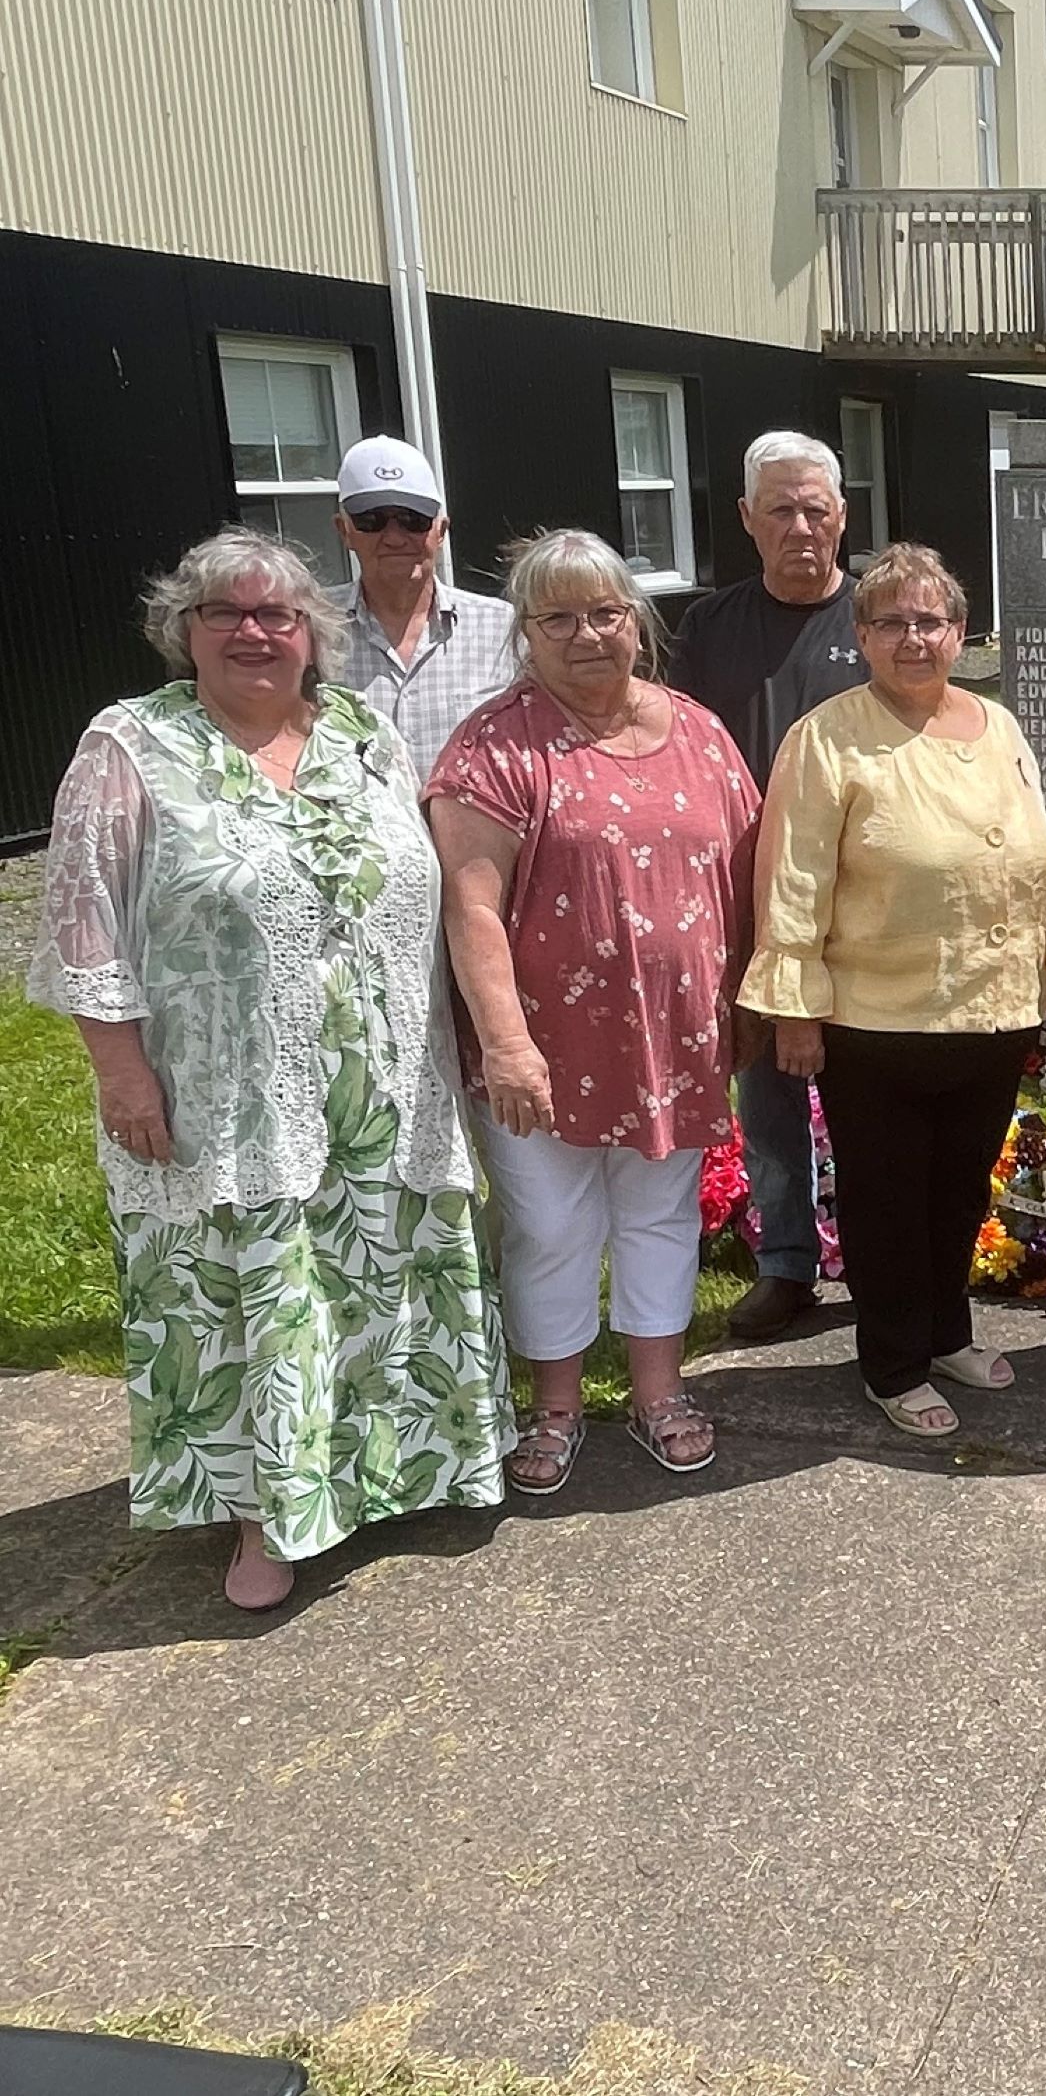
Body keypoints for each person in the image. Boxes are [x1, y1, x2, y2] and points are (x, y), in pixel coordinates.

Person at [28, 528, 511, 1610]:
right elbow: (83, 923)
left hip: (384, 1082)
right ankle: (268, 1512)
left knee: (383, 1275)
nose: (253, 631)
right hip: (225, 1090)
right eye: (225, 613)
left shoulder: (359, 729)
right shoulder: (133, 742)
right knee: (263, 1295)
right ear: (182, 631)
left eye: (277, 614)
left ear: (312, 633)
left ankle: (400, 1471)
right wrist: (122, 1070)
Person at [426, 530, 759, 1494]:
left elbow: (745, 874)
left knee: (660, 1217)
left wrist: (750, 1000)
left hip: (680, 1037)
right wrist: (506, 1043)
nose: (585, 634)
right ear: (524, 633)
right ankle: (558, 1406)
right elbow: (471, 905)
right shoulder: (496, 746)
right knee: (551, 1225)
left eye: (605, 611)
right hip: (546, 1046)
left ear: (636, 620)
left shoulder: (698, 728)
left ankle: (658, 1393)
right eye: (557, 617)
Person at [743, 544, 1046, 1441]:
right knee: (888, 1200)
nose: (914, 638)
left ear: (960, 633)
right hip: (874, 1020)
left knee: (959, 1192)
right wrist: (795, 1008)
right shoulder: (825, 738)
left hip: (990, 1009)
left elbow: (1024, 859)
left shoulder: (997, 726)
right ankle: (891, 1361)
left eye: (931, 621)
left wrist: (1044, 970)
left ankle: (945, 1332)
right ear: (862, 635)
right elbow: (794, 882)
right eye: (891, 621)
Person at [667, 430, 867, 1342]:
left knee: (871, 1089)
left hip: (867, 897)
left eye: (815, 508)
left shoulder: (877, 622)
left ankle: (877, 1259)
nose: (800, 526)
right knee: (770, 1088)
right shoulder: (707, 630)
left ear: (842, 516)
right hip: (747, 896)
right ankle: (786, 1262)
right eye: (780, 509)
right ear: (748, 519)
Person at [323, 435, 519, 783]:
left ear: (440, 530)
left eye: (413, 519)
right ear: (344, 531)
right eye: (372, 520)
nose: (395, 537)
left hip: (470, 834)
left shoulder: (503, 628)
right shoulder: (310, 627)